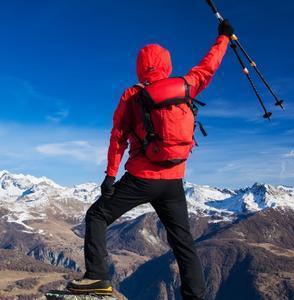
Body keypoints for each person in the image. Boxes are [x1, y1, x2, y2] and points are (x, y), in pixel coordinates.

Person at [67, 20, 234, 300]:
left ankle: (97, 277)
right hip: (173, 181)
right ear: (167, 64)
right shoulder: (186, 85)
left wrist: (110, 176)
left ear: (140, 67)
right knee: (183, 242)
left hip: (141, 178)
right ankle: (196, 296)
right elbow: (209, 65)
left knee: (96, 215)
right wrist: (224, 38)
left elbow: (117, 137)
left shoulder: (133, 95)